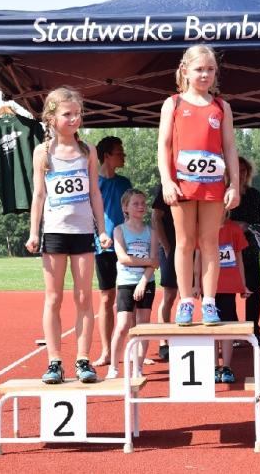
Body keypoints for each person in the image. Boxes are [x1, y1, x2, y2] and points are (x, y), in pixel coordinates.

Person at [25, 86, 112, 384]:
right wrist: (33, 232)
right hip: (54, 232)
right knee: (53, 298)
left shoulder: (87, 151)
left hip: (83, 232)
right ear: (51, 118)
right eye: (67, 114)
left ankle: (83, 359)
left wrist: (102, 230)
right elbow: (39, 194)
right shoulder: (43, 152)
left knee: (84, 297)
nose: (74, 119)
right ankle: (54, 362)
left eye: (77, 114)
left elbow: (95, 194)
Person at [157, 44, 240, 326]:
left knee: (209, 242)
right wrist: (166, 180)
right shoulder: (173, 104)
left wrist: (234, 184)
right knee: (184, 242)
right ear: (185, 70)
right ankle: (185, 301)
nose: (205, 75)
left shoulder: (221, 107)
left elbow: (230, 148)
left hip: (213, 186)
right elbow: (164, 145)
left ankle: (209, 302)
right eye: (199, 69)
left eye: (210, 69)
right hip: (182, 185)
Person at [106, 189, 158, 380]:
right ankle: (113, 367)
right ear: (125, 207)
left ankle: (138, 367)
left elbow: (155, 261)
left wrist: (143, 282)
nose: (141, 206)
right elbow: (123, 258)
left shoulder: (151, 232)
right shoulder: (119, 230)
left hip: (146, 283)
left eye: (143, 203)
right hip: (126, 283)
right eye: (135, 203)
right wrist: (147, 262)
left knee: (143, 327)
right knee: (122, 326)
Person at [193, 210, 249, 384]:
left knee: (226, 327)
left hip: (228, 286)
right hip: (208, 287)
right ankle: (213, 366)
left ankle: (226, 367)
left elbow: (239, 259)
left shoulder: (234, 229)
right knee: (211, 326)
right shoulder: (202, 229)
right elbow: (198, 257)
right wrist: (196, 283)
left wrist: (243, 284)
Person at [92, 136, 132, 367]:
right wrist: (100, 235)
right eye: (119, 152)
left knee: (130, 297)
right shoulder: (94, 183)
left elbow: (132, 212)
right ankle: (107, 351)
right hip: (103, 247)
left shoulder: (125, 183)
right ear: (106, 156)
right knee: (107, 298)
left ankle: (133, 350)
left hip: (126, 246)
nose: (123, 156)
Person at [229, 156, 260, 345]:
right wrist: (235, 227)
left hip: (250, 249)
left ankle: (253, 331)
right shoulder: (223, 193)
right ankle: (234, 331)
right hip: (227, 251)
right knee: (227, 291)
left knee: (254, 291)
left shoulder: (254, 194)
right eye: (237, 170)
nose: (241, 174)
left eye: (244, 170)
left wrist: (250, 227)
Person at [151, 184, 177, 361]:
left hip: (188, 246)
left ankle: (183, 338)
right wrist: (166, 246)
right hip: (169, 246)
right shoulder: (165, 187)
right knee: (169, 295)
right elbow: (155, 217)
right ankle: (163, 342)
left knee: (186, 296)